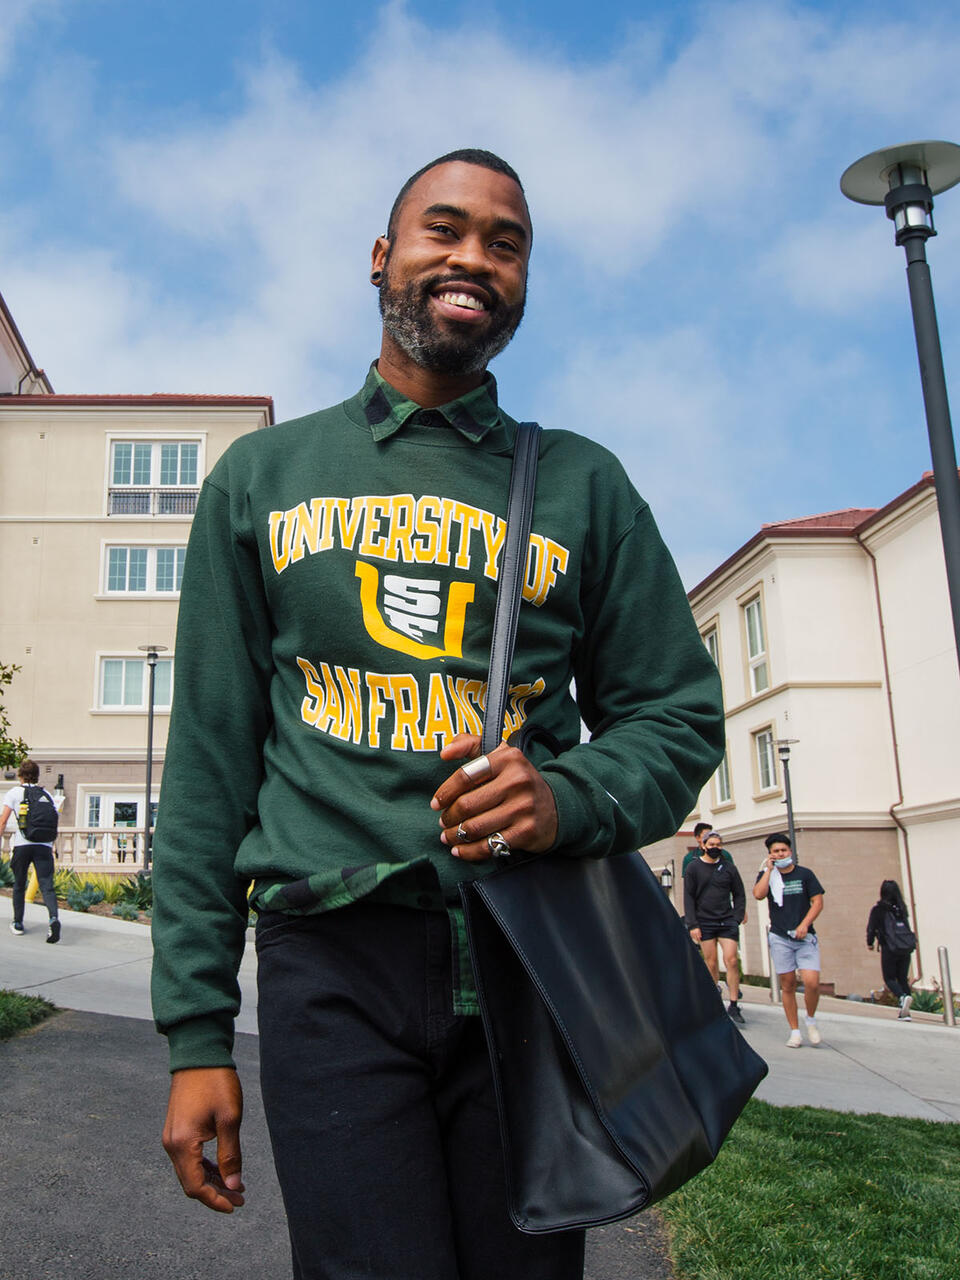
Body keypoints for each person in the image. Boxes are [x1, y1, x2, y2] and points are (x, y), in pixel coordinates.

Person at [151, 148, 724, 1280]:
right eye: (444, 230)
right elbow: (210, 764)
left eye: (505, 244)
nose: (474, 258)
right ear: (383, 258)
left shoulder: (581, 484)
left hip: (528, 956)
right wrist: (195, 1033)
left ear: (523, 283)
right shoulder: (263, 478)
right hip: (331, 954)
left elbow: (674, 712)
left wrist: (565, 797)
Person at [753, 831, 824, 1047]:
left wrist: (804, 924)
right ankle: (794, 1031)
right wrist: (768, 870)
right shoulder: (770, 875)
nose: (780, 853)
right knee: (788, 984)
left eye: (783, 850)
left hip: (805, 937)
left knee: (811, 982)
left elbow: (818, 901)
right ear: (770, 854)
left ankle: (810, 1020)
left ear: (790, 851)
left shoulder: (805, 875)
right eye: (775, 851)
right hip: (780, 936)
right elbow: (758, 894)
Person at [683, 830, 746, 1024]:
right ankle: (714, 1001)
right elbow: (688, 897)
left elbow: (739, 894)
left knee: (731, 960)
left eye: (718, 845)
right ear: (703, 846)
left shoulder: (729, 868)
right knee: (710, 963)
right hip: (705, 920)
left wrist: (736, 916)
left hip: (726, 920)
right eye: (711, 845)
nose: (715, 848)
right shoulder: (694, 868)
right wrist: (693, 923)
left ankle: (734, 1003)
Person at [1, 759, 61, 943]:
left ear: (19, 775)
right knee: (47, 885)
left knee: (19, 884)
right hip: (44, 846)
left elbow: (3, 820)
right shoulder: (46, 794)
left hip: (23, 844)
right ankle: (53, 919)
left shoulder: (14, 793)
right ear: (37, 776)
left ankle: (18, 923)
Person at [866, 880, 915, 1019]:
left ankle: (902, 997)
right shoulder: (901, 909)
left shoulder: (879, 909)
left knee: (889, 978)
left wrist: (870, 943)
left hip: (890, 948)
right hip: (905, 948)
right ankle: (905, 1011)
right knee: (902, 979)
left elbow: (871, 928)